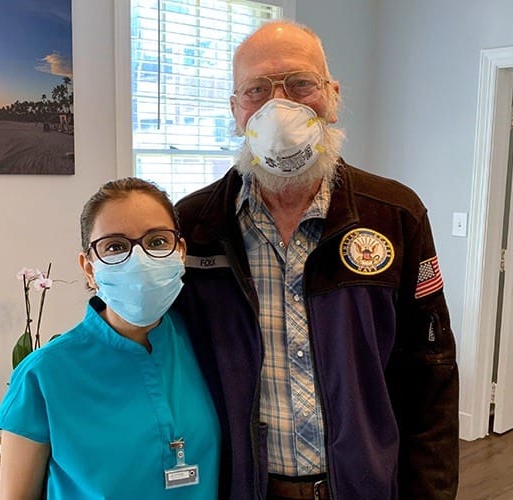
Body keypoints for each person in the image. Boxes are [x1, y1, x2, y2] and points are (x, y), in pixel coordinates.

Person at [174, 19, 459, 500]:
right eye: (256, 89)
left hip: (363, 486)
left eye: (300, 83)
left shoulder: (395, 215)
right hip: (243, 487)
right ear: (235, 110)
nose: (278, 103)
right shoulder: (195, 227)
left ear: (331, 95)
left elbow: (430, 370)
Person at [0, 177, 220, 500]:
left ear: (180, 252)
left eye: (157, 241)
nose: (139, 260)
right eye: (115, 247)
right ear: (88, 268)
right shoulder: (43, 375)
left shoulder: (207, 346)